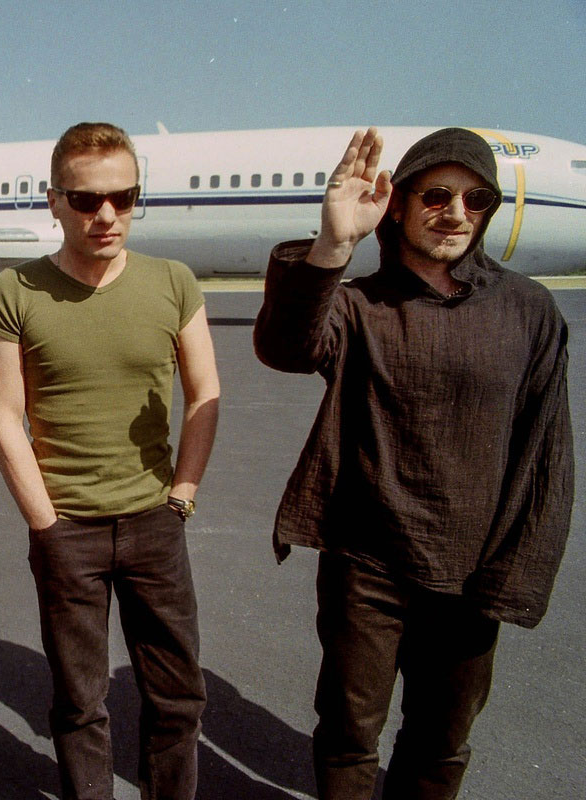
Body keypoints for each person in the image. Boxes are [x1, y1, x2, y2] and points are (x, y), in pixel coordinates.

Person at [254, 128, 573, 800]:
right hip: (365, 568)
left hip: (471, 572)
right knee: (347, 735)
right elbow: (286, 346)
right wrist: (333, 245)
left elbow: (547, 457)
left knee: (440, 743)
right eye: (436, 195)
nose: (456, 213)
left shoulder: (528, 310)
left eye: (475, 198)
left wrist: (515, 575)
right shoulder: (358, 303)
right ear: (396, 206)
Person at [0, 122, 220, 800]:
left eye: (124, 196)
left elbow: (206, 391)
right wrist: (46, 524)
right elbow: (3, 412)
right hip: (70, 532)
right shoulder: (14, 292)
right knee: (80, 700)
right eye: (85, 200)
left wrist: (183, 493)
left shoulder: (173, 282)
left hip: (155, 521)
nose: (106, 214)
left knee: (178, 696)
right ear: (53, 200)